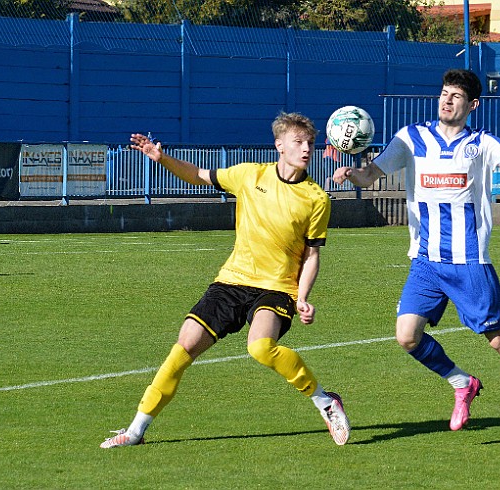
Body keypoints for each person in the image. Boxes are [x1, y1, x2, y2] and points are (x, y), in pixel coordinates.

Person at [101, 112, 350, 448]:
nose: (306, 149)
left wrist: (303, 297)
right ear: (279, 145)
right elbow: (199, 175)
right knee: (183, 347)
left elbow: (312, 255)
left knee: (261, 347)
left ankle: (324, 401)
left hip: (278, 287)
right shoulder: (250, 175)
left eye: (310, 143)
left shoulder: (316, 198)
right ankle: (135, 431)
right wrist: (162, 158)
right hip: (232, 280)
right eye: (298, 142)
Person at [332, 69, 500, 446]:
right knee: (407, 336)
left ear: (473, 105)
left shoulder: (481, 143)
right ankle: (461, 382)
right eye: (444, 93)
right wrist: (352, 172)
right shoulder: (411, 137)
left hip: (469, 262)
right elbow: (372, 175)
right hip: (425, 261)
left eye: (455, 96)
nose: (446, 100)